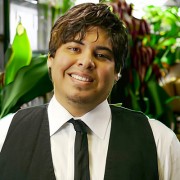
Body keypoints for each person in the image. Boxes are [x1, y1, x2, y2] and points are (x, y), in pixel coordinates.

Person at [0, 2, 180, 180]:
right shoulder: (4, 134)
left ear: (117, 72)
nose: (86, 62)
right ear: (50, 59)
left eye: (101, 55)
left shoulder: (159, 142)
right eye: (74, 48)